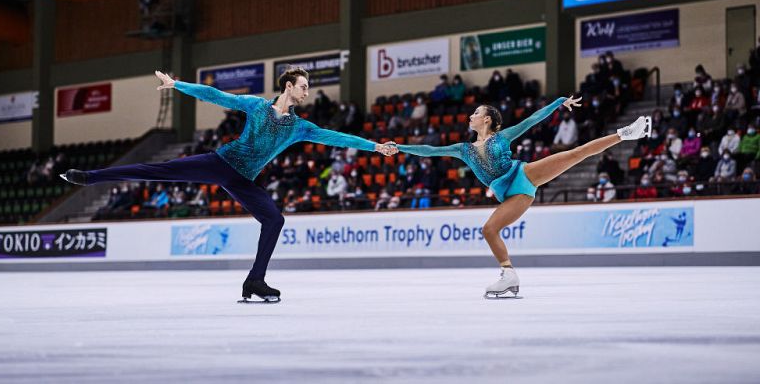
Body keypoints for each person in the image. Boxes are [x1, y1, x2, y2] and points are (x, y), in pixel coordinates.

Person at [61, 68, 396, 302]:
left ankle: (255, 280)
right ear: (289, 85)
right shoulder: (256, 106)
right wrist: (177, 86)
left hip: (244, 180)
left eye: (308, 88)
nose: (307, 92)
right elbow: (215, 95)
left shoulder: (301, 127)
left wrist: (375, 146)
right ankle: (90, 177)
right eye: (304, 86)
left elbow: (338, 137)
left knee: (274, 219)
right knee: (159, 169)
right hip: (220, 164)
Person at [391, 96, 651, 298]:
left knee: (574, 154)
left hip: (523, 177)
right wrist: (399, 147)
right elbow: (428, 150)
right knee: (489, 230)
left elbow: (533, 119)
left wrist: (559, 102)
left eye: (476, 113)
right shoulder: (464, 149)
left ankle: (627, 133)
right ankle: (509, 274)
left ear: (488, 120)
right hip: (507, 193)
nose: (471, 115)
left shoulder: (502, 136)